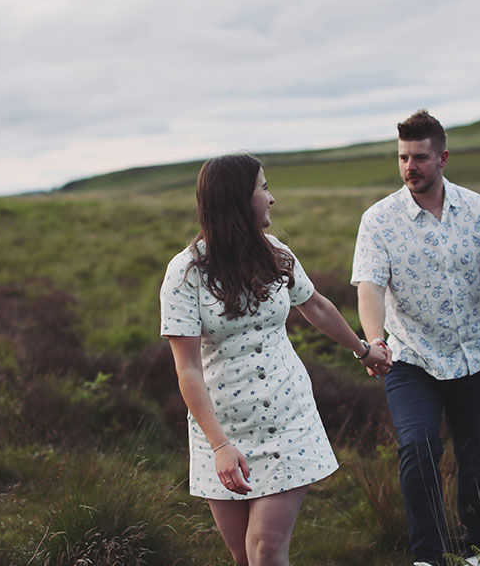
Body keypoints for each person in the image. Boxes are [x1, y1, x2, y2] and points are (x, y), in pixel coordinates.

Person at [160, 153, 390, 566]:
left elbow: (315, 306)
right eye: (263, 188)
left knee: (265, 548)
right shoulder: (185, 273)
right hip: (222, 431)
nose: (272, 199)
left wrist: (363, 350)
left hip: (287, 416)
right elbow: (188, 368)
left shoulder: (276, 253)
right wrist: (220, 446)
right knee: (243, 557)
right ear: (236, 200)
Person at [351, 110, 480, 566]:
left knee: (476, 459)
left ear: (443, 158)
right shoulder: (379, 220)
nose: (410, 167)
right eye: (403, 158)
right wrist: (375, 341)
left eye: (420, 158)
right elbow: (370, 289)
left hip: (475, 357)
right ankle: (427, 557)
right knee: (418, 447)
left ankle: (475, 552)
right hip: (410, 359)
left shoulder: (477, 209)